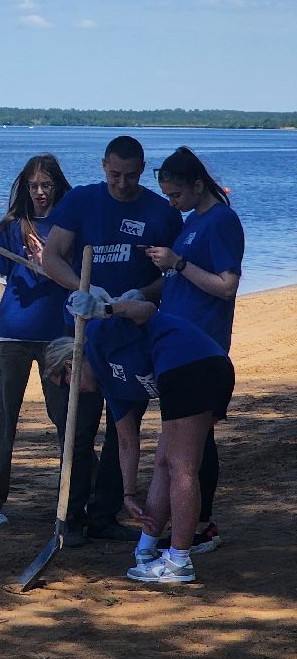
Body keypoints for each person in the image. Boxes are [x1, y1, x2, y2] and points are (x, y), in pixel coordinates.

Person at [41, 135, 183, 543]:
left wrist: (143, 294)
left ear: (143, 170)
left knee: (124, 429)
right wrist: (78, 290)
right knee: (78, 426)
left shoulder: (160, 212)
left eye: (132, 175)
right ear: (103, 165)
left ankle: (104, 515)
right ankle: (69, 515)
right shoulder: (82, 201)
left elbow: (170, 274)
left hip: (133, 339)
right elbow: (52, 256)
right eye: (115, 174)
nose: (122, 183)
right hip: (84, 335)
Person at [48, 290, 234, 584]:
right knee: (164, 461)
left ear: (70, 364)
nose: (73, 392)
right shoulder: (113, 390)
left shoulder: (97, 336)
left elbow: (146, 309)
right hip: (201, 369)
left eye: (65, 384)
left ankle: (180, 562)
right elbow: (126, 442)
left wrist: (105, 309)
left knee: (181, 467)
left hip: (192, 363)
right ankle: (147, 550)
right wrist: (128, 494)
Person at [145, 146, 244, 555]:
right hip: (177, 345)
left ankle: (202, 525)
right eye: (168, 196)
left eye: (176, 196)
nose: (173, 204)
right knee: (190, 441)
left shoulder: (221, 221)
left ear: (198, 184)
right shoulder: (195, 221)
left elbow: (226, 285)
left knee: (195, 443)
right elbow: (180, 279)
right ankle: (194, 522)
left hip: (201, 347)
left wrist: (178, 263)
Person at [0, 153, 74, 528]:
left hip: (58, 336)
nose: (39, 193)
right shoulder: (15, 226)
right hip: (13, 333)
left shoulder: (70, 225)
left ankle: (75, 499)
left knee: (67, 417)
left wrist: (48, 261)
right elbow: (0, 277)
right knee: (0, 419)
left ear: (57, 186)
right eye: (33, 186)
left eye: (46, 185)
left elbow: (78, 277)